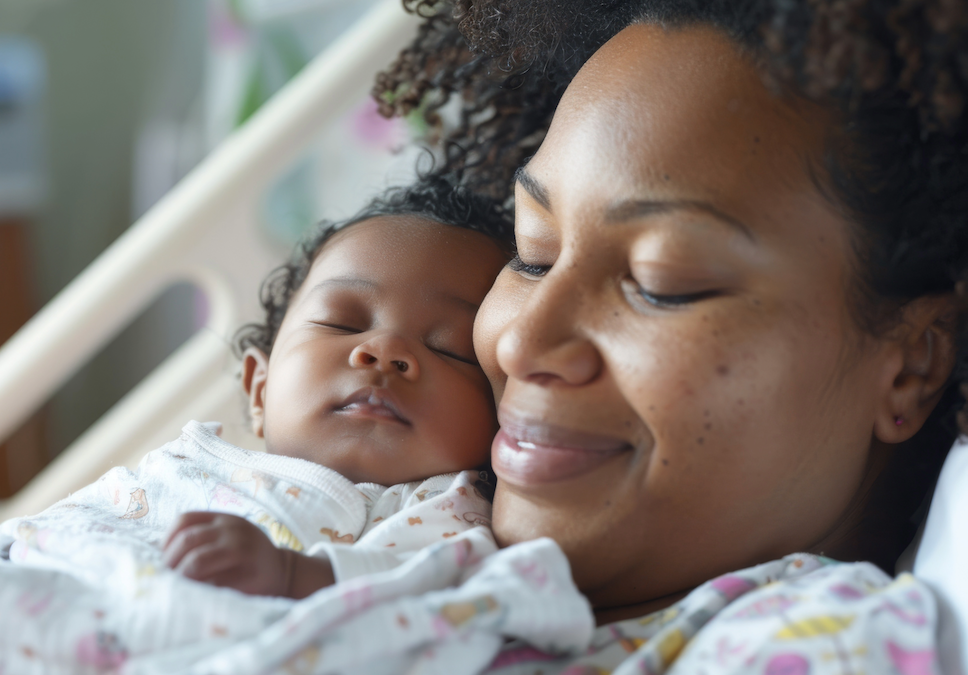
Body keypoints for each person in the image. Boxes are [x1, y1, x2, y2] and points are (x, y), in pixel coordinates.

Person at [367, 0, 968, 672]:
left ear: (913, 363)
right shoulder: (357, 511)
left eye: (662, 283)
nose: (521, 344)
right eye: (532, 253)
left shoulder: (823, 648)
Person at [0, 174, 515, 599]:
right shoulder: (186, 469)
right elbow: (60, 535)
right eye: (343, 323)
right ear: (259, 389)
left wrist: (297, 577)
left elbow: (461, 592)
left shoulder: (448, 514)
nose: (385, 351)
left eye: (450, 348)